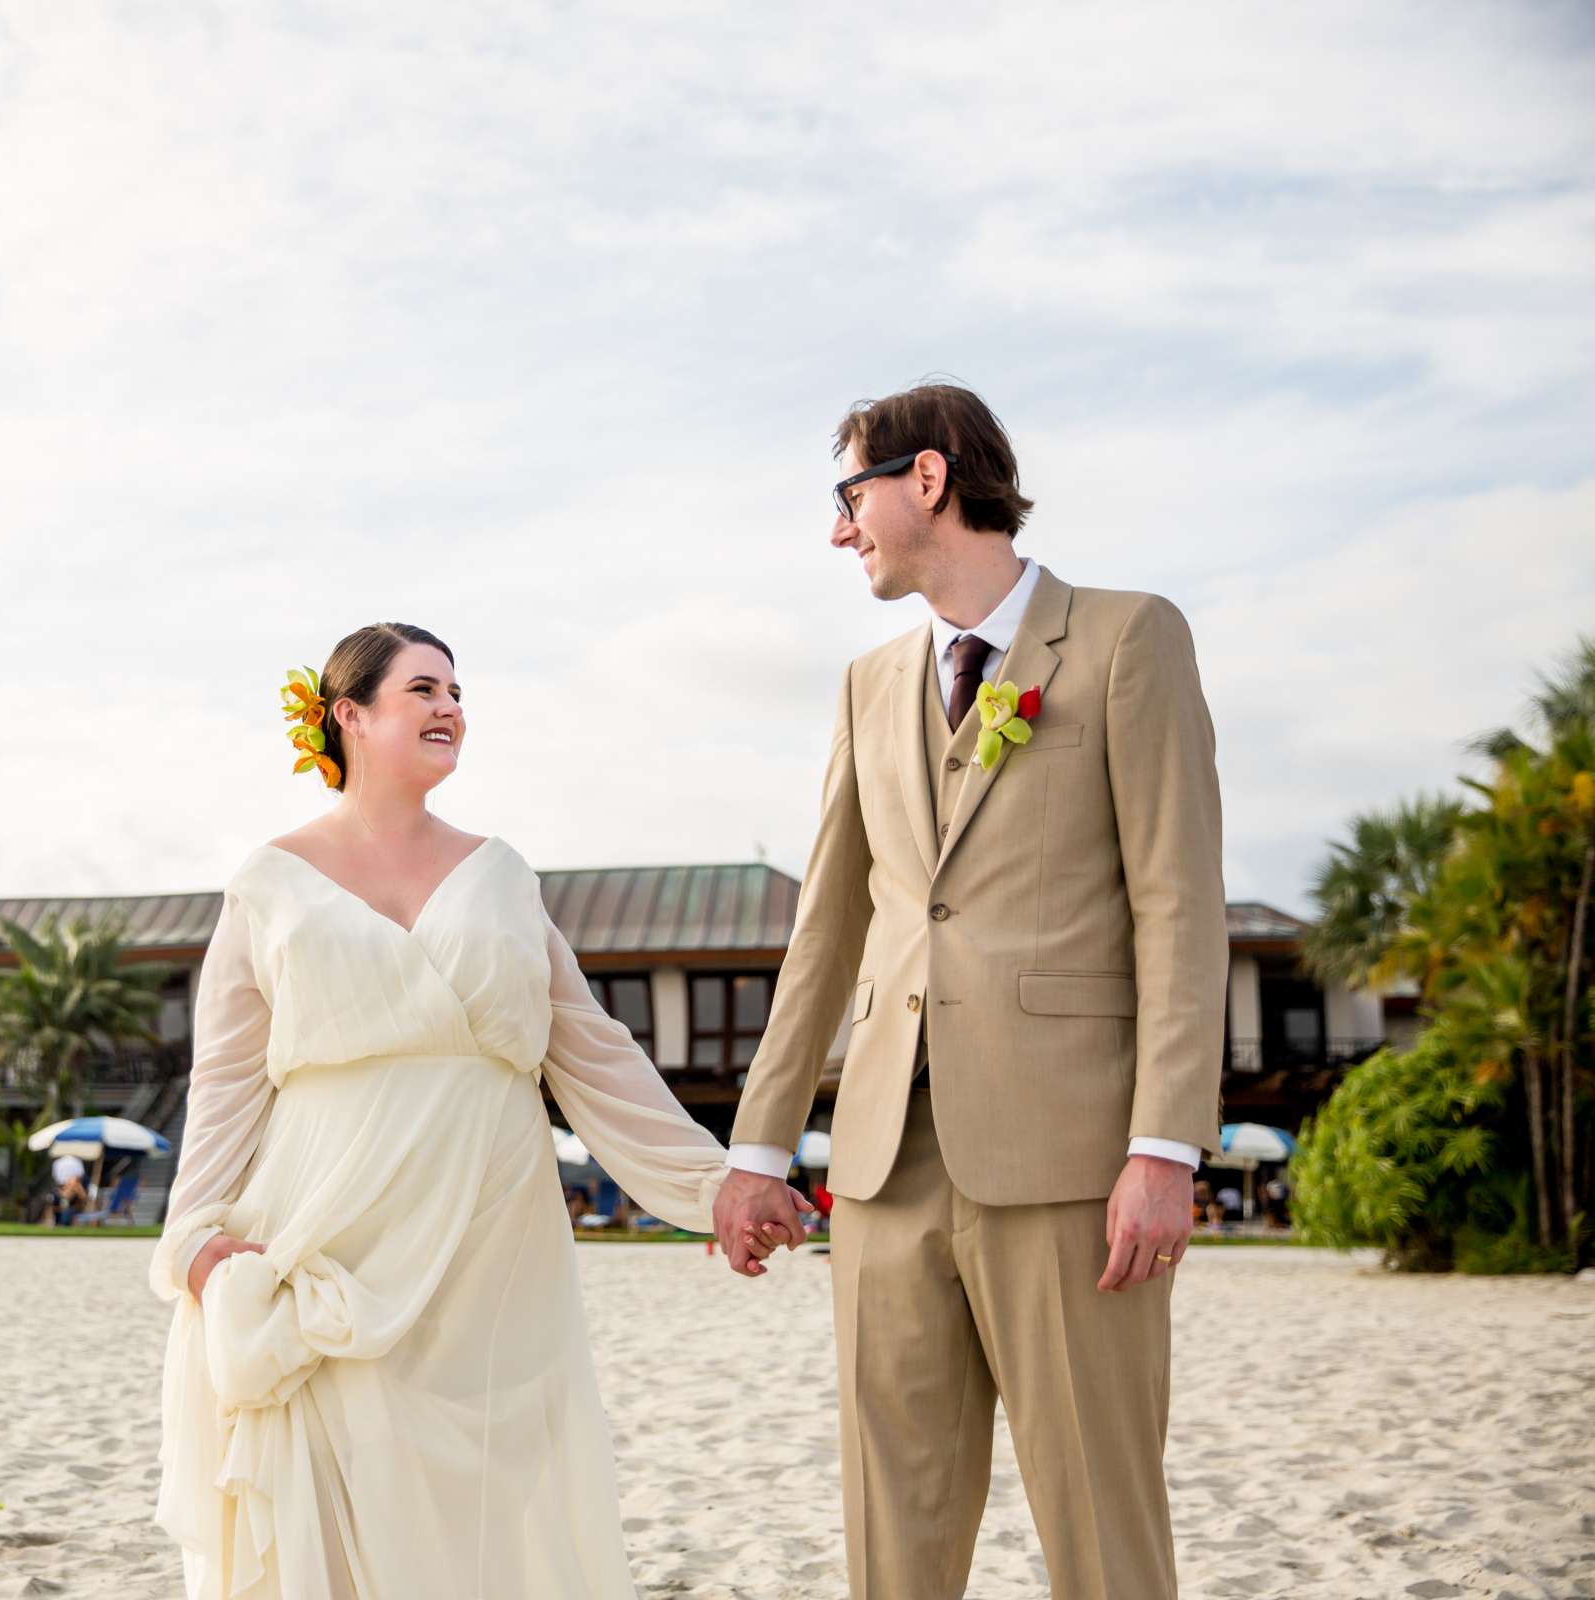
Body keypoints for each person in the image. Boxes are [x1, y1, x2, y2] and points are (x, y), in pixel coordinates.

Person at [718, 383, 1225, 1599]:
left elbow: (1178, 902)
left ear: (928, 481)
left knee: (1101, 1523)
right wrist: (759, 1143)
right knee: (891, 1528)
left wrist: (1166, 1144)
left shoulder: (1126, 637)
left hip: (1073, 1162)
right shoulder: (864, 684)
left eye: (851, 496)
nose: (842, 531)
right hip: (887, 1165)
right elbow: (828, 927)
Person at [152, 623, 769, 1598]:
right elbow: (226, 1075)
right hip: (329, 1217)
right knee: (341, 1467)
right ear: (346, 715)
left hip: (491, 1232)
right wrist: (189, 1235)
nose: (451, 708)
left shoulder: (501, 873)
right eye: (423, 689)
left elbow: (592, 1047)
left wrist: (712, 1183)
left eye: (458, 692)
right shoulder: (268, 883)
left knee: (483, 1498)